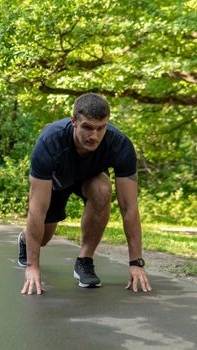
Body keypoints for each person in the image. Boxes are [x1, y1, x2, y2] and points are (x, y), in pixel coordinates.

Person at [18, 93, 152, 295]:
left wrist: (137, 262)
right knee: (43, 238)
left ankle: (85, 260)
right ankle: (24, 239)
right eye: (88, 127)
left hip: (90, 179)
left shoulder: (120, 145)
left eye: (101, 128)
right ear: (74, 122)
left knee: (103, 189)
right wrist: (32, 266)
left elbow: (129, 207)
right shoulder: (50, 141)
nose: (94, 136)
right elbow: (37, 210)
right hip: (56, 182)